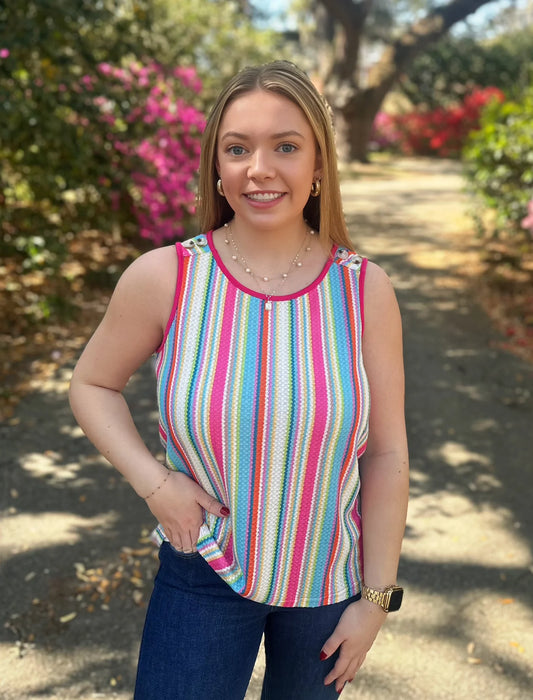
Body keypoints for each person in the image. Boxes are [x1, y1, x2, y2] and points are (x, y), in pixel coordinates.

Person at [69, 60, 409, 699]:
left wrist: (376, 598)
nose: (260, 167)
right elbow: (91, 385)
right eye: (237, 148)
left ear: (317, 166)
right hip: (205, 571)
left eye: (285, 146)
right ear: (217, 167)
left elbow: (387, 452)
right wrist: (156, 483)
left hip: (329, 587)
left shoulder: (365, 289)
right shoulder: (166, 277)